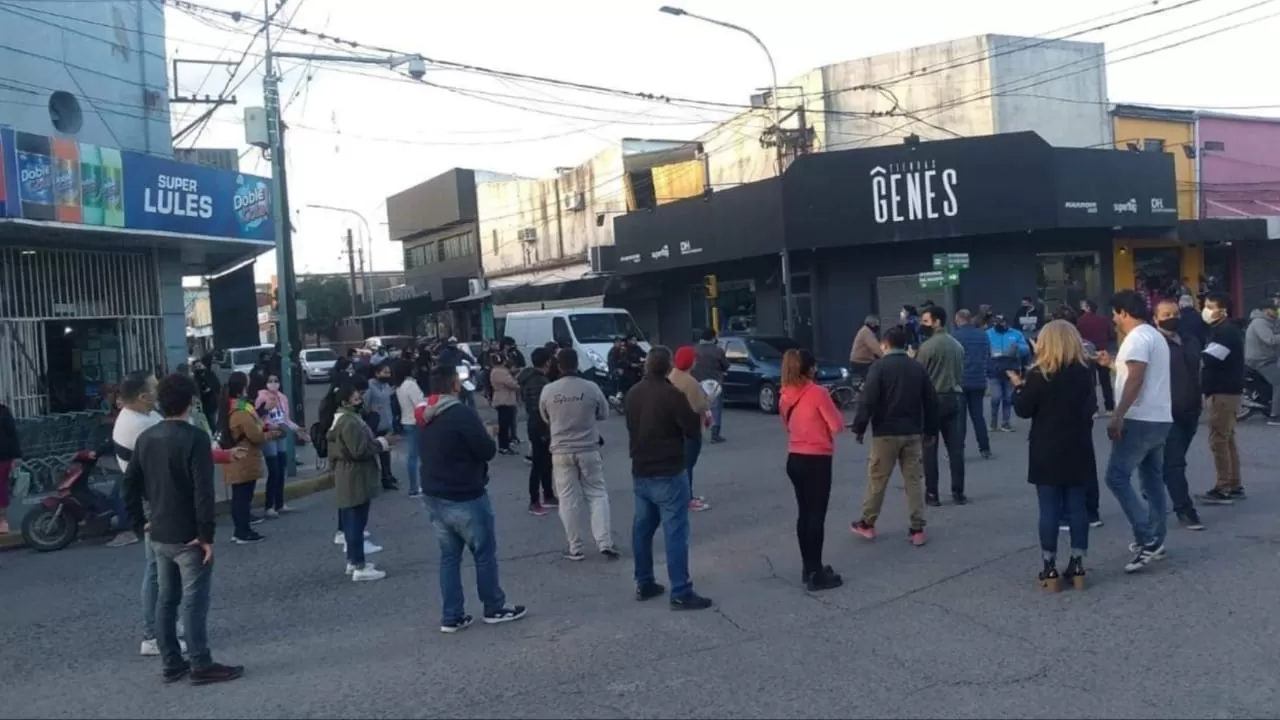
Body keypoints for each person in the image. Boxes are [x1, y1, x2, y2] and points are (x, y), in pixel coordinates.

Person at [122, 372, 243, 685]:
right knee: (193, 602)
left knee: (167, 600)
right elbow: (203, 492)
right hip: (188, 533)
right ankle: (201, 663)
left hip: (159, 530)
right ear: (190, 401)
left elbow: (129, 483)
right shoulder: (194, 438)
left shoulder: (147, 437)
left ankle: (172, 663)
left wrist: (139, 523)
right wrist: (206, 536)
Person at [418, 365, 527, 632]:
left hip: (434, 492)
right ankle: (494, 606)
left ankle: (452, 615)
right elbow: (486, 450)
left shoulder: (425, 415)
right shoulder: (460, 413)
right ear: (453, 385)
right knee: (484, 552)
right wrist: (488, 434)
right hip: (464, 492)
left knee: (449, 556)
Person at [1009, 320, 1096, 592]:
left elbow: (1024, 410)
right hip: (1078, 443)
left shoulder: (1040, 373)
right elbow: (1091, 406)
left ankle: (1049, 566)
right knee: (1077, 505)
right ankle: (1078, 562)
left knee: (1048, 507)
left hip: (1046, 445)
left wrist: (1019, 387)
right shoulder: (1084, 371)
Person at [625, 347, 711, 610]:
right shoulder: (672, 395)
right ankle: (681, 590)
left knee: (642, 528)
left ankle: (645, 581)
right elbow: (692, 431)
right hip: (669, 471)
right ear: (668, 366)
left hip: (641, 469)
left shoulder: (633, 393)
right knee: (675, 531)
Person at [1096, 290, 1172, 574]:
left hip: (1139, 418)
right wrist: (1113, 364)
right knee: (1151, 479)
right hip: (1160, 417)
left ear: (1124, 312)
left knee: (1116, 477)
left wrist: (1118, 414)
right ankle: (1157, 538)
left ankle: (1146, 538)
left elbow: (1137, 376)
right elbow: (1136, 372)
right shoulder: (1154, 336)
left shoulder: (1137, 338)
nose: (1114, 319)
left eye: (1115, 314)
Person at [849, 327, 938, 546]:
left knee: (878, 479)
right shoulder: (917, 368)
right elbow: (930, 401)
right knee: (914, 481)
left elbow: (868, 400)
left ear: (885, 344)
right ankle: (917, 529)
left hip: (885, 433)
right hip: (913, 432)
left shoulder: (879, 367)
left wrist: (859, 428)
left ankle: (867, 523)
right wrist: (930, 430)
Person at [538, 349, 617, 561]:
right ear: (576, 363)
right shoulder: (590, 387)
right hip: (588, 448)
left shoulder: (548, 390)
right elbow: (604, 413)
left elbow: (545, 416)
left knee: (567, 499)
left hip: (561, 450)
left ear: (559, 365)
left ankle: (575, 547)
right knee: (597, 494)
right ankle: (604, 542)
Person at [778, 348, 844, 592]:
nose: (817, 369)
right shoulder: (818, 393)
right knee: (816, 515)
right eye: (813, 366)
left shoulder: (784, 395)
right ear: (808, 369)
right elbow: (836, 425)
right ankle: (816, 572)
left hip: (795, 457)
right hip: (817, 458)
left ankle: (808, 566)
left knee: (804, 513)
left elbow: (786, 425)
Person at [326, 377, 389, 582]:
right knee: (356, 522)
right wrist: (381, 444)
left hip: (347, 473)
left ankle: (354, 561)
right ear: (346, 401)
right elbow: (358, 450)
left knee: (352, 519)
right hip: (355, 474)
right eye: (356, 397)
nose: (360, 399)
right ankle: (359, 565)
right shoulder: (350, 422)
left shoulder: (342, 419)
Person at [1153, 299, 1205, 531]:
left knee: (1171, 461)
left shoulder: (1190, 339)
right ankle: (1184, 509)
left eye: (1174, 313)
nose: (1171, 317)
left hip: (1191, 409)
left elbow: (1197, 367)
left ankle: (1152, 491)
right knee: (1175, 463)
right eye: (1165, 314)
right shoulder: (1153, 343)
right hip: (1167, 412)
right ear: (1155, 318)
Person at [916, 306, 967, 506]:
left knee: (929, 449)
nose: (923, 325)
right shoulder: (957, 345)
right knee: (955, 449)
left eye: (926, 321)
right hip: (954, 398)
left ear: (936, 321)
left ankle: (932, 494)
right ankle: (958, 492)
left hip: (932, 400)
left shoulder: (927, 348)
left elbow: (918, 375)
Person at [106, 371, 162, 548]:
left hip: (155, 493)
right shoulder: (139, 425)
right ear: (144, 397)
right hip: (154, 497)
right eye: (156, 387)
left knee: (161, 561)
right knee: (165, 559)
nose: (160, 390)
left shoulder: (145, 415)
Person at [220, 372, 277, 545]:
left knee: (241, 496)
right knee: (243, 498)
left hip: (237, 458)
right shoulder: (241, 411)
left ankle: (242, 530)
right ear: (241, 389)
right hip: (243, 458)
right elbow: (255, 435)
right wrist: (272, 434)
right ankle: (242, 531)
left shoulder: (232, 407)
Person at [1199, 292, 1245, 504]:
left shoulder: (1226, 332)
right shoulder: (1221, 330)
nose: (1206, 310)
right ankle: (1233, 483)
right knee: (1227, 439)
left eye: (1210, 306)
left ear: (1223, 310)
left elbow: (1208, 358)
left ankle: (1223, 486)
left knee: (1219, 440)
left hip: (1222, 393)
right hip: (1227, 391)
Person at [254, 372, 307, 518]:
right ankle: (269, 506)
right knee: (274, 470)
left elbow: (286, 419)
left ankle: (280, 503)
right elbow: (257, 418)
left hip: (281, 434)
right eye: (270, 381)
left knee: (281, 467)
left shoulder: (283, 398)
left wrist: (297, 429)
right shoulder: (262, 397)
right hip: (270, 435)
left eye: (276, 380)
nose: (273, 383)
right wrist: (269, 426)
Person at [669, 346, 711, 512]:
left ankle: (685, 495)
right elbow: (700, 405)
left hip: (675, 428)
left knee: (682, 465)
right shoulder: (690, 382)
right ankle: (688, 498)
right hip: (690, 429)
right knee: (688, 465)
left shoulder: (672, 376)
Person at [517, 347, 558, 515]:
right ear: (547, 361)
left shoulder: (535, 378)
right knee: (539, 464)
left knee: (547, 463)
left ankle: (548, 494)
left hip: (540, 425)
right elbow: (537, 408)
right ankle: (534, 501)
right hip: (539, 426)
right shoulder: (537, 381)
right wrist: (544, 429)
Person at [951, 310, 992, 460]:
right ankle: (985, 448)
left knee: (960, 419)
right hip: (979, 380)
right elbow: (988, 356)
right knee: (978, 416)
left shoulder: (955, 336)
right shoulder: (982, 335)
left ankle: (958, 451)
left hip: (961, 381)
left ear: (959, 319)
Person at [986, 313, 1030, 432]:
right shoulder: (988, 334)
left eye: (1002, 322)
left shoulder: (1016, 334)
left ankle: (1006, 423)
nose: (999, 324)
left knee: (1008, 398)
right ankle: (993, 422)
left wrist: (1016, 348)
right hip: (994, 369)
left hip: (1011, 369)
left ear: (1007, 323)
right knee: (996, 397)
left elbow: (1025, 349)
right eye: (997, 322)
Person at [1076, 299, 1115, 415]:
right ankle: (1110, 408)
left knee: (1090, 382)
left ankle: (1094, 409)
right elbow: (1111, 334)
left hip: (1088, 352)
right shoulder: (1103, 319)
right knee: (1106, 381)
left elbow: (1078, 336)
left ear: (1087, 307)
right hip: (1103, 351)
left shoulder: (1081, 321)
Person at [364, 363, 399, 490]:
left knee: (386, 452)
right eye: (385, 372)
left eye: (389, 372)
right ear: (377, 373)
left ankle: (387, 476)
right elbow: (364, 404)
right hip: (375, 425)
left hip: (387, 422)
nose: (387, 375)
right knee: (377, 452)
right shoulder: (369, 386)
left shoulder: (386, 386)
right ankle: (379, 479)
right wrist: (370, 409)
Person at [1244, 301, 1280, 425]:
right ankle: (1275, 416)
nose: (1275, 311)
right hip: (1260, 360)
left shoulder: (1270, 321)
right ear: (1264, 310)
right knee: (1279, 383)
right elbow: (1270, 340)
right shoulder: (1259, 322)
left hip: (1267, 358)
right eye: (1273, 309)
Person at [691, 328, 729, 444]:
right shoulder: (718, 351)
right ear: (713, 337)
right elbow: (726, 365)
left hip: (698, 383)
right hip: (715, 383)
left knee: (698, 408)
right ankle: (715, 434)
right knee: (715, 409)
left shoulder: (694, 350)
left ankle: (697, 433)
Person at [394, 363, 426, 498]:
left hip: (406, 420)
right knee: (417, 456)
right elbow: (419, 404)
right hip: (415, 421)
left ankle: (415, 486)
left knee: (412, 455)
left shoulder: (399, 386)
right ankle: (416, 487)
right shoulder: (411, 385)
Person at [489, 355, 520, 456]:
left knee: (504, 424)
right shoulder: (501, 372)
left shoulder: (494, 371)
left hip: (501, 398)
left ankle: (504, 445)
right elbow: (511, 383)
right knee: (505, 424)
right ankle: (504, 446)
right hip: (505, 399)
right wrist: (517, 383)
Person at [0, 401, 21, 535]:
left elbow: (12, 434)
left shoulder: (3, 411)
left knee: (1, 487)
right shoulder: (3, 411)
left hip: (3, 456)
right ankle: (2, 521)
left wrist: (16, 456)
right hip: (4, 454)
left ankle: (2, 521)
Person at [850, 315, 883, 380]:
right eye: (877, 323)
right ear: (872, 324)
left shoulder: (866, 331)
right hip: (860, 362)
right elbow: (875, 348)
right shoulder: (866, 332)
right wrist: (885, 356)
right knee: (875, 378)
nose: (878, 326)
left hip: (863, 361)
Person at [192, 356, 220, 430]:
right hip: (201, 405)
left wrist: (209, 389)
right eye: (196, 367)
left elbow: (217, 386)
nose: (198, 368)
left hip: (212, 404)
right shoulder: (195, 379)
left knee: (214, 423)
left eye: (199, 366)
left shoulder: (210, 375)